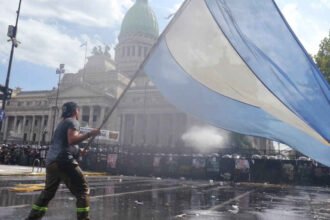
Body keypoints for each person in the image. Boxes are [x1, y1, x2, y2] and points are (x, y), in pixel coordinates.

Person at [26, 102, 100, 220]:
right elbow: (72, 140)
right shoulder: (73, 121)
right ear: (76, 111)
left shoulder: (62, 124)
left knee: (48, 193)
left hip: (51, 162)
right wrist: (90, 134)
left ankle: (33, 217)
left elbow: (64, 144)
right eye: (78, 111)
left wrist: (78, 151)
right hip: (63, 161)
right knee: (83, 190)